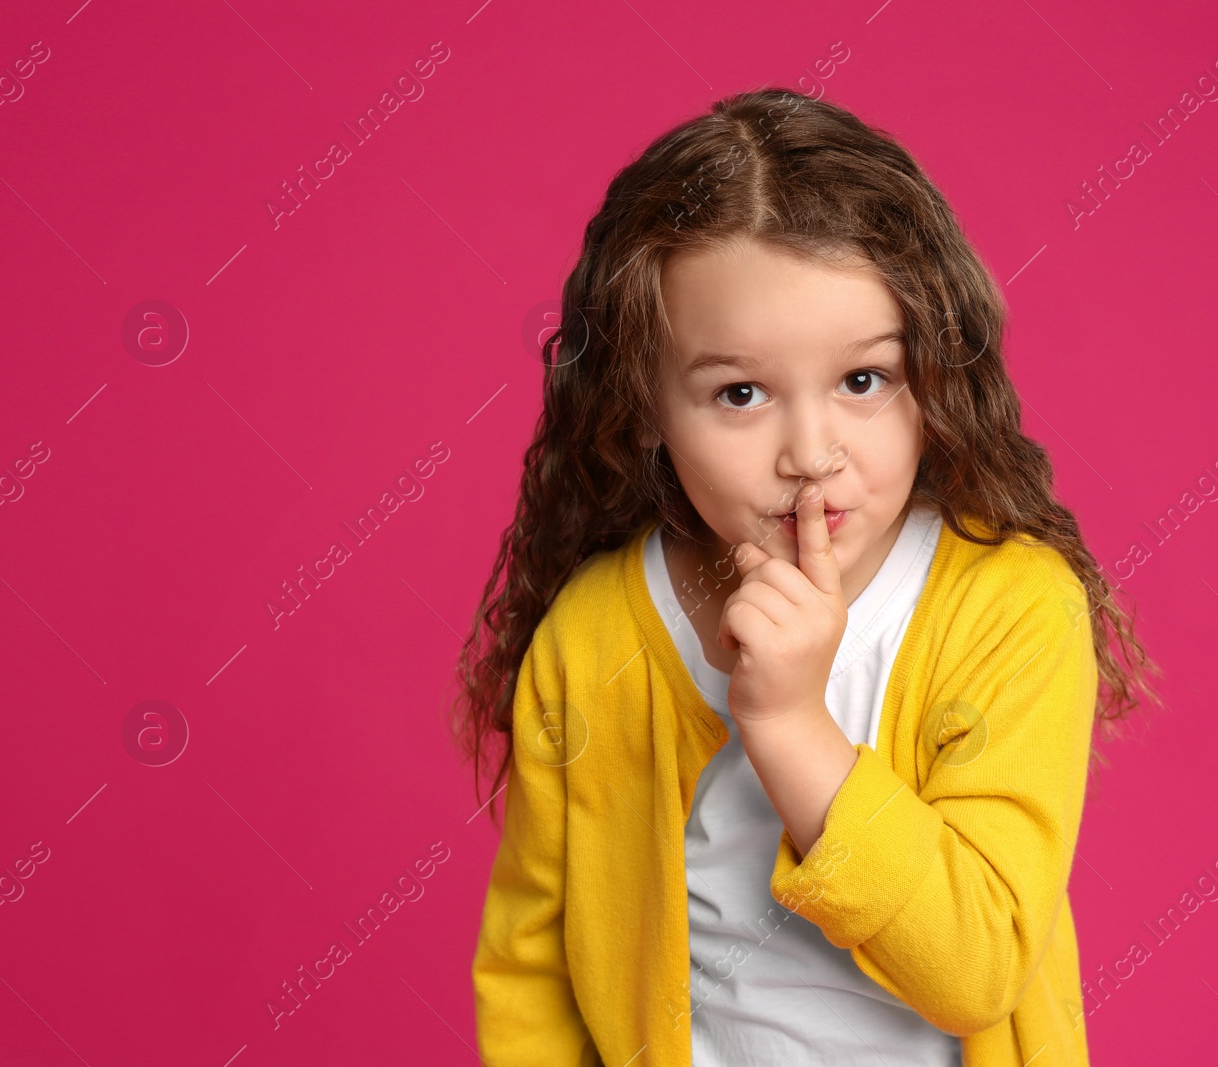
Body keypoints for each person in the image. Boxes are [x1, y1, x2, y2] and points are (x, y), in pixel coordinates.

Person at [452, 87, 1160, 1067]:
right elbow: (532, 966)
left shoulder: (1011, 608)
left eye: (862, 379)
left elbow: (976, 968)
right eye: (739, 393)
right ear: (645, 405)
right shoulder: (594, 635)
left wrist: (790, 725)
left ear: (931, 371)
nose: (812, 452)